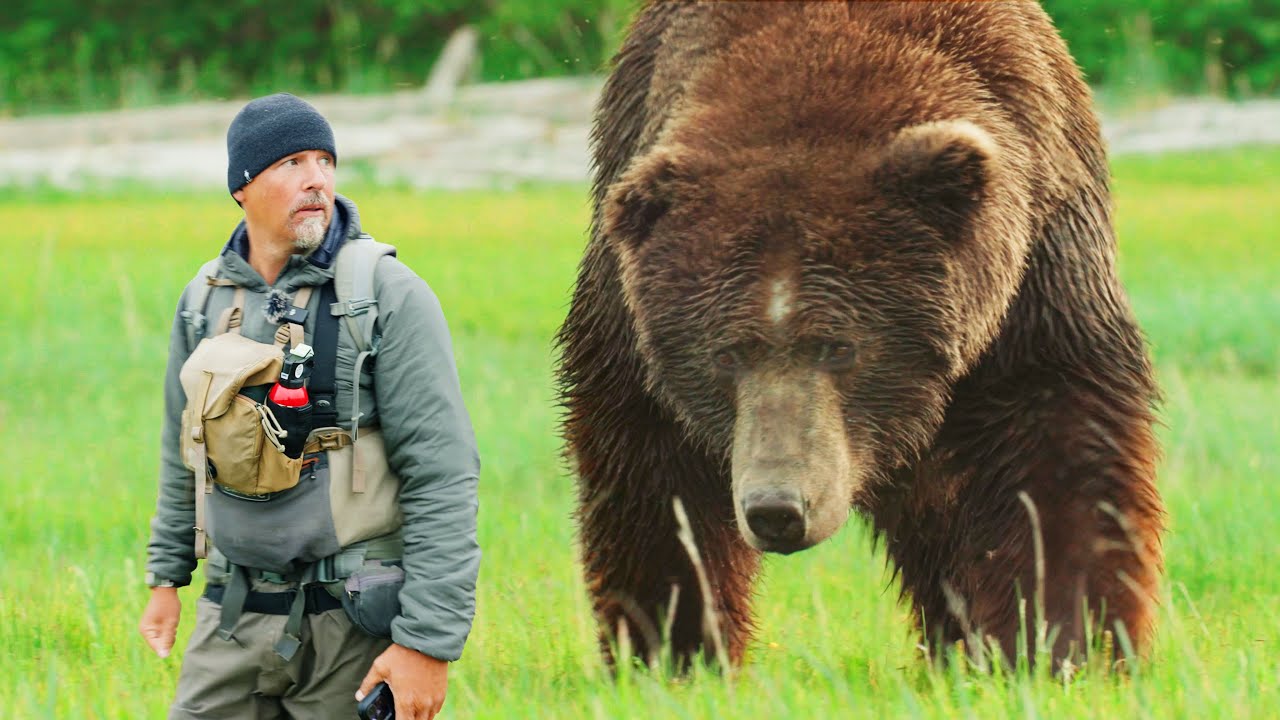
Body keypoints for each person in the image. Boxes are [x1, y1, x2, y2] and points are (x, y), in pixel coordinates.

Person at [138, 92, 480, 720]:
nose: (317, 179)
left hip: (351, 619)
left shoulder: (386, 294)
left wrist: (427, 644)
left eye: (325, 161)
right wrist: (166, 577)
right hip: (232, 614)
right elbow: (181, 449)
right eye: (293, 162)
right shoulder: (204, 298)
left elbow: (443, 473)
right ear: (243, 186)